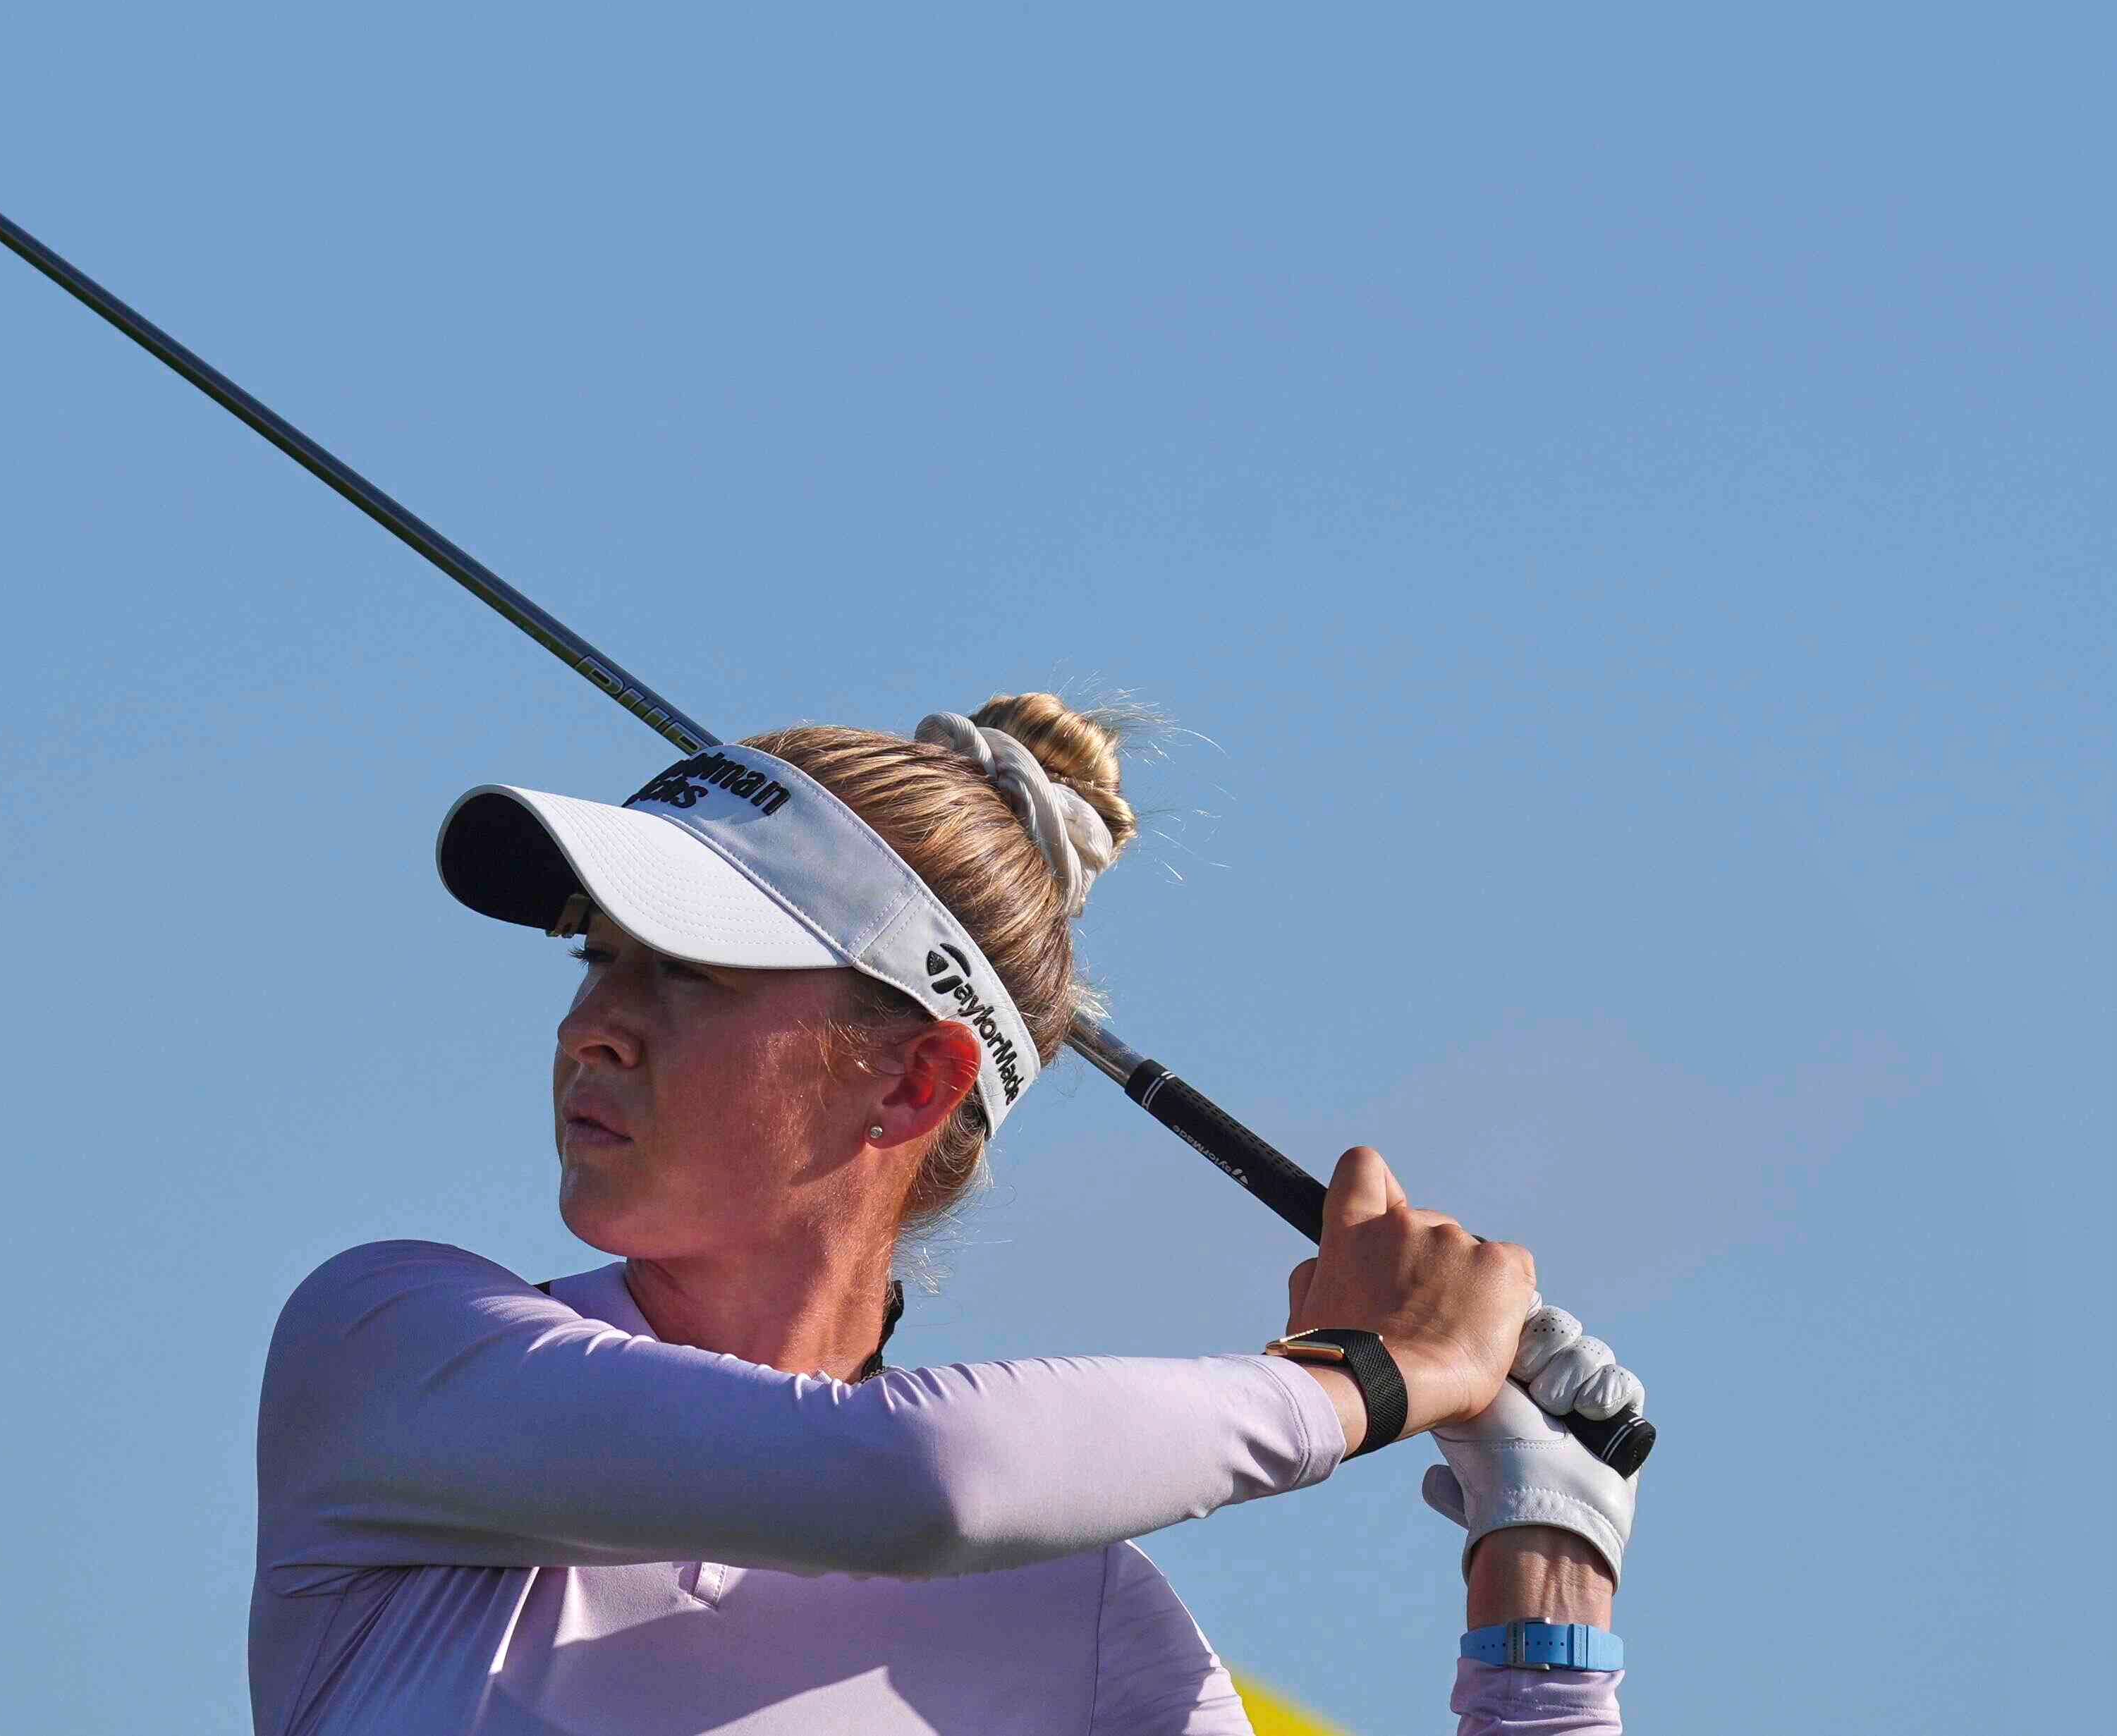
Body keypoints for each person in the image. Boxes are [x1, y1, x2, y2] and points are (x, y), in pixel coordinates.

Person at [252, 697, 1647, 1735]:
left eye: (680, 970)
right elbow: (910, 1480)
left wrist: (1544, 1555)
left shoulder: (1079, 1621)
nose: (593, 1028)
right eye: (593, 957)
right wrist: (1365, 1373)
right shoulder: (391, 1350)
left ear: (913, 1077)